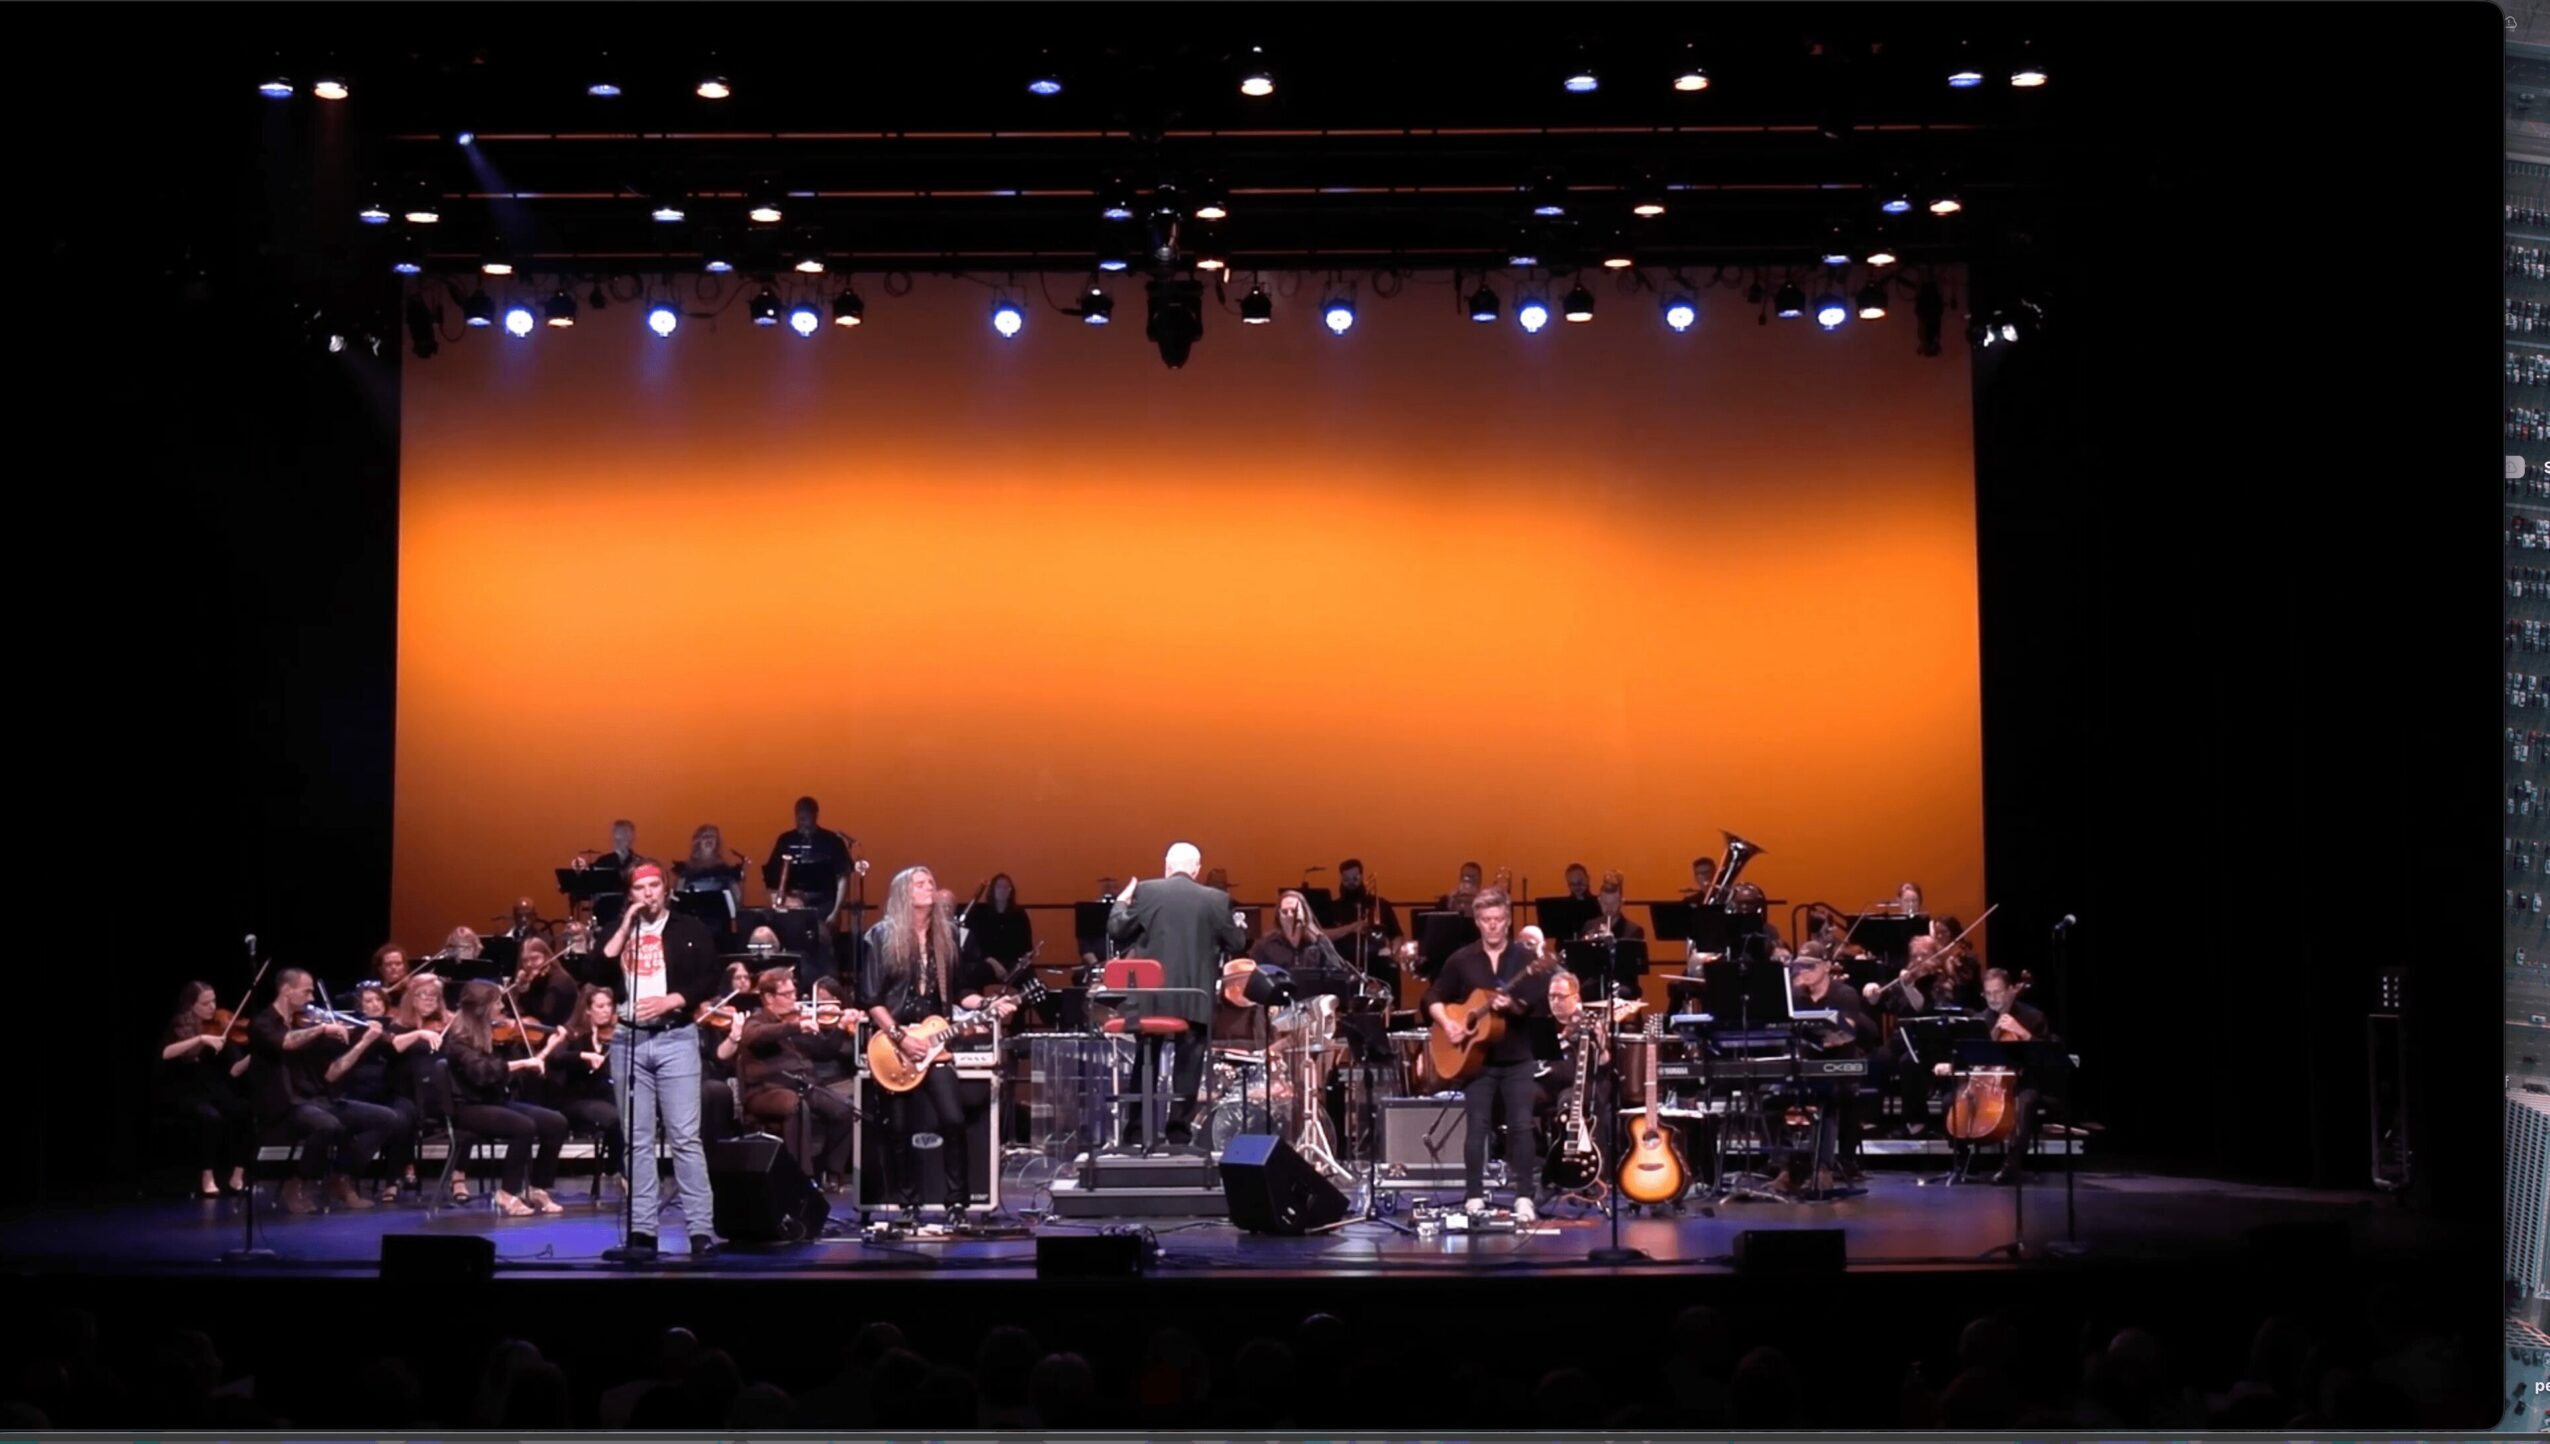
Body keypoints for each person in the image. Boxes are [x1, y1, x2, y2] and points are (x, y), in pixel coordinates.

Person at [863, 866, 1016, 1209]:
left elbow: (961, 991)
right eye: (920, 883)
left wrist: (989, 1004)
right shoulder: (881, 936)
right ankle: (907, 1206)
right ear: (904, 894)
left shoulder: (946, 936)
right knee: (899, 1129)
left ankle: (957, 1204)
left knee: (954, 1120)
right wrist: (900, 1037)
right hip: (894, 1043)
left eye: (931, 881)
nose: (929, 887)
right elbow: (871, 999)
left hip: (937, 1044)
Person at [600, 862, 723, 1260]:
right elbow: (596, 967)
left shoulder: (690, 929)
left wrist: (673, 999)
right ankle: (642, 1233)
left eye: (655, 886)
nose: (649, 893)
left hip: (675, 1039)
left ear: (665, 889)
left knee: (685, 1138)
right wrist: (625, 925)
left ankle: (701, 1231)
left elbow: (710, 975)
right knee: (636, 1142)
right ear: (631, 894)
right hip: (628, 1041)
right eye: (641, 888)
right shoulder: (624, 929)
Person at [1423, 888, 1557, 1219]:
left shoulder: (1526, 960)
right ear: (1478, 922)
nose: (1492, 927)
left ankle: (1523, 1195)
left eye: (1498, 920)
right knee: (1477, 1126)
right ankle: (1473, 1196)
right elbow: (1432, 996)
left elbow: (1538, 1008)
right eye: (1486, 920)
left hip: (1517, 1057)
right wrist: (1449, 1023)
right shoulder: (1462, 960)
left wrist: (1511, 1004)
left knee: (1521, 1125)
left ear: (1508, 921)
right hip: (1476, 1060)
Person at [1107, 843, 1249, 1149]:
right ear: (1197, 869)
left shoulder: (1146, 891)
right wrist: (1236, 923)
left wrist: (1121, 901)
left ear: (1166, 865)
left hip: (1150, 1001)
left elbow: (1117, 931)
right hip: (1193, 998)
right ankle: (1179, 1134)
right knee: (1189, 1061)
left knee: (1146, 1059)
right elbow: (1236, 942)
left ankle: (1135, 1133)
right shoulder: (1216, 899)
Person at [246, 969, 403, 1215]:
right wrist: (321, 1030)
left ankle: (341, 1177)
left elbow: (332, 1073)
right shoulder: (263, 1022)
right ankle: (297, 1182)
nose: (311, 997)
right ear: (287, 990)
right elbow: (285, 1042)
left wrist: (363, 1041)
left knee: (388, 1118)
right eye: (307, 990)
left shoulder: (307, 1023)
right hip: (285, 1106)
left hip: (319, 1100)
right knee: (328, 1125)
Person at [442, 980, 571, 1216]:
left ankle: (537, 1188)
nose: (502, 1007)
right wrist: (523, 1062)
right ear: (483, 1006)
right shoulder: (458, 1039)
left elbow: (512, 1073)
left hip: (494, 1102)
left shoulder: (492, 1033)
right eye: (497, 1001)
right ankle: (507, 1194)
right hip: (468, 1107)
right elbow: (483, 1074)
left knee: (556, 1122)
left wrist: (547, 1048)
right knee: (523, 1126)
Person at [1934, 969, 2057, 1185]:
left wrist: (2023, 1033)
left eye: (1998, 993)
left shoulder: (2033, 1017)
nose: (1993, 998)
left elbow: (2047, 1056)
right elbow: (1968, 1056)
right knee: (1949, 1103)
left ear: (2011, 990)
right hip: (1985, 1082)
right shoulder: (1980, 1019)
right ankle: (1964, 1162)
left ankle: (2012, 1165)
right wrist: (1950, 1065)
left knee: (2026, 1103)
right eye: (1988, 994)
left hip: (2022, 1081)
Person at [736, 967, 856, 1173]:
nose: (794, 998)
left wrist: (840, 1027)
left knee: (846, 1110)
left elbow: (824, 1050)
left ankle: (828, 1170)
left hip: (804, 1086)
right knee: (795, 1105)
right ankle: (800, 1177)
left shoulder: (796, 1020)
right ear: (769, 997)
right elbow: (752, 1035)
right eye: (787, 994)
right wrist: (794, 1027)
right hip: (766, 1091)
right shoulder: (758, 1020)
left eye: (794, 992)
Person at [1778, 947, 1880, 1190]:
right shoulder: (1794, 995)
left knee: (1828, 1097)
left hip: (1838, 1068)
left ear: (1826, 966)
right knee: (1773, 1096)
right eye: (1800, 967)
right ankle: (1787, 1167)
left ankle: (1823, 1167)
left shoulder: (1844, 994)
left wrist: (1815, 1038)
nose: (1804, 972)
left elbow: (1844, 1034)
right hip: (1802, 1068)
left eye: (1810, 966)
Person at [156, 981, 252, 1198]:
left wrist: (253, 1057)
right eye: (205, 1003)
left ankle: (238, 1173)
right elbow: (165, 1053)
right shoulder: (179, 1026)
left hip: (216, 1091)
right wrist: (200, 1038)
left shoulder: (222, 1025)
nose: (212, 1007)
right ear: (191, 1005)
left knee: (245, 1110)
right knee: (210, 1118)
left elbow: (235, 1071)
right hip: (186, 1091)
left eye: (214, 1001)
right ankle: (207, 1175)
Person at [547, 984, 623, 1193]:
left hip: (606, 1098)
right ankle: (616, 1170)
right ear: (588, 1009)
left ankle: (620, 1171)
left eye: (609, 1005)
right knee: (618, 1118)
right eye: (600, 1006)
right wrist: (584, 1055)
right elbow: (555, 1058)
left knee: (630, 1113)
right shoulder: (575, 1036)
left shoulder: (617, 1036)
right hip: (577, 1100)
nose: (606, 1010)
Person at [1579, 871, 1647, 941]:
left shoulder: (1634, 931)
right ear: (1599, 902)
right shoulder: (1589, 926)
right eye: (1605, 903)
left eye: (1613, 903)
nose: (1609, 908)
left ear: (1621, 902)